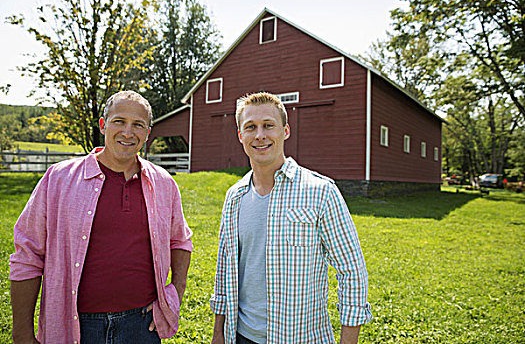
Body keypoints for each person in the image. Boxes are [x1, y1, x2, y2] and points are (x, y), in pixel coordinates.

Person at [9, 90, 193, 344]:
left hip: (142, 326)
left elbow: (180, 243)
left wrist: (175, 294)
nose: (128, 132)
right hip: (76, 325)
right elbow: (27, 256)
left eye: (138, 125)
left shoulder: (164, 183)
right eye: (119, 121)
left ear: (147, 133)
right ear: (103, 124)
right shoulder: (58, 179)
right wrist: (21, 334)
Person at [211, 92, 372, 344]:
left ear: (285, 131)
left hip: (301, 338)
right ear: (241, 136)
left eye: (268, 125)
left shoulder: (321, 191)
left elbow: (352, 271)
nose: (260, 135)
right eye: (250, 127)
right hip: (241, 337)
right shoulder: (234, 198)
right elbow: (225, 271)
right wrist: (218, 333)